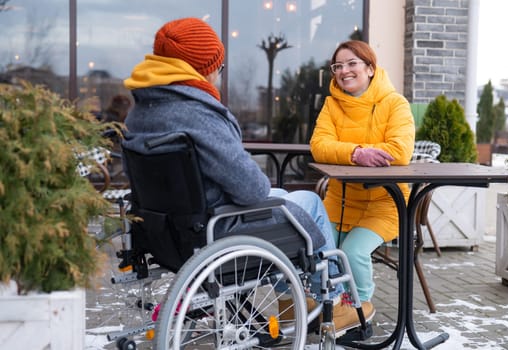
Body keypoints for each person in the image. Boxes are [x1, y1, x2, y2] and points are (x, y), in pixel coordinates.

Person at [122, 17, 367, 336]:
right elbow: (252, 189)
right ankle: (335, 301)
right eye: (217, 67)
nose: (218, 75)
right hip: (218, 230)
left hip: (165, 234)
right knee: (306, 202)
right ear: (201, 69)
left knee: (291, 204)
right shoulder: (197, 113)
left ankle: (295, 301)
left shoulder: (140, 113)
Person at [310, 40, 415, 322]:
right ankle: (326, 305)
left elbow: (400, 152)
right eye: (338, 66)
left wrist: (345, 151)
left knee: (351, 251)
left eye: (352, 63)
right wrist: (357, 153)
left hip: (383, 203)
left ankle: (360, 306)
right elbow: (319, 145)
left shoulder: (395, 103)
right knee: (314, 248)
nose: (344, 71)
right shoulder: (331, 105)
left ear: (370, 68)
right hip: (338, 201)